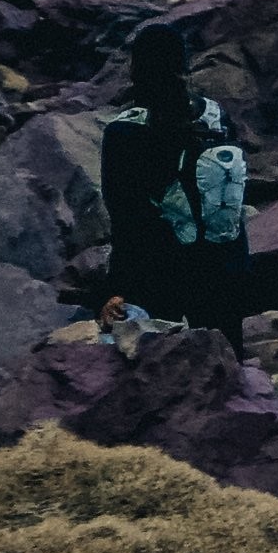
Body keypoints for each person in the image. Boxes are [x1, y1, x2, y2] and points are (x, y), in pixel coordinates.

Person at [98, 17, 249, 337]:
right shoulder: (215, 116)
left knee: (159, 358)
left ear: (137, 69)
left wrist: (117, 289)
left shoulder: (124, 132)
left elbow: (127, 221)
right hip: (225, 262)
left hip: (162, 270)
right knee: (225, 355)